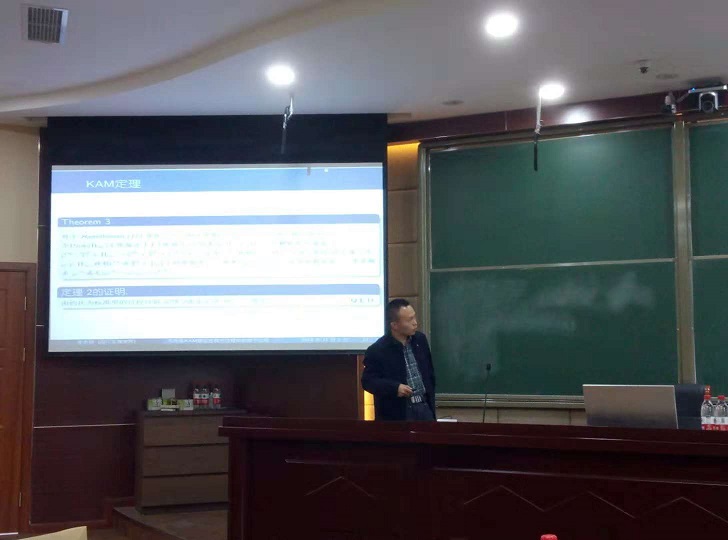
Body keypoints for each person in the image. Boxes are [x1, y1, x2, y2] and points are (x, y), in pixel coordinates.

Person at [361, 298, 436, 421]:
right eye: (410, 320)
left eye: (414, 317)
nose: (415, 323)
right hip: (399, 412)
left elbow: (430, 373)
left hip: (424, 407)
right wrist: (395, 388)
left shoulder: (420, 340)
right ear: (394, 325)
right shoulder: (378, 350)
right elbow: (368, 381)